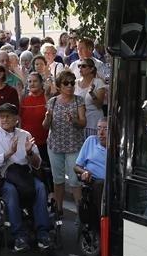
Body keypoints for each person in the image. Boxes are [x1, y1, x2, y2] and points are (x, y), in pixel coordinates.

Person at [0, 104, 51, 252]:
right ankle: (19, 235)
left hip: (24, 175)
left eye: (8, 116)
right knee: (11, 191)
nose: (4, 119)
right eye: (2, 116)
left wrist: (29, 153)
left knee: (41, 187)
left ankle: (43, 233)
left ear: (16, 119)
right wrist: (7, 154)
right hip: (4, 176)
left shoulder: (25, 135)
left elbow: (37, 164)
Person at [43, 70, 86, 212]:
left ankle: (81, 214)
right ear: (59, 86)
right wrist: (48, 118)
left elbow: (83, 123)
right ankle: (59, 209)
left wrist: (73, 120)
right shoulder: (52, 101)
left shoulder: (79, 100)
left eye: (72, 83)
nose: (70, 86)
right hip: (55, 145)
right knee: (58, 179)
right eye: (66, 83)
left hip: (74, 145)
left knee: (74, 180)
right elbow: (45, 126)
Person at [74, 119, 108, 232]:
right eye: (99, 128)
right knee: (99, 185)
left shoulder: (116, 147)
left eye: (105, 129)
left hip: (109, 183)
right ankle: (99, 226)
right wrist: (83, 172)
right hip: (92, 181)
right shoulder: (90, 141)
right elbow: (76, 166)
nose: (101, 132)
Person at [19, 72, 50, 170]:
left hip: (45, 143)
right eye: (29, 81)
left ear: (42, 83)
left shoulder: (47, 98)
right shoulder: (24, 99)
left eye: (35, 81)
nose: (32, 84)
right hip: (28, 144)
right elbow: (19, 119)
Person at [74, 58, 107, 138]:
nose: (80, 68)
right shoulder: (75, 83)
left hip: (93, 122)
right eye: (79, 66)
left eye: (84, 66)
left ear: (91, 69)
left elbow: (99, 105)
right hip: (80, 122)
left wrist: (92, 94)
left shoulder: (98, 82)